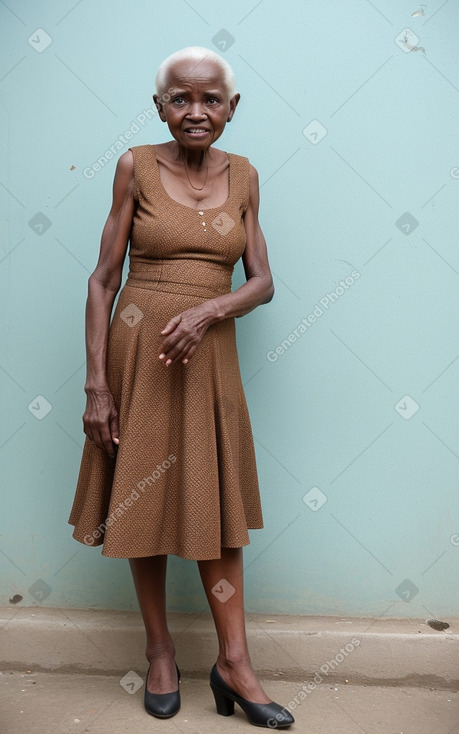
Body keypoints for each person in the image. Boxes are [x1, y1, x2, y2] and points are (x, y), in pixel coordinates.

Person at [68, 46, 294, 729]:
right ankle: (160, 651)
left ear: (231, 108)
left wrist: (209, 309)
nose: (195, 112)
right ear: (160, 105)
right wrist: (96, 387)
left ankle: (235, 663)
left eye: (211, 100)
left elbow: (261, 279)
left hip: (210, 360)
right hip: (139, 355)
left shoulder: (247, 176)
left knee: (216, 510)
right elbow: (102, 279)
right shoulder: (133, 167)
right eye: (180, 99)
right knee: (138, 502)